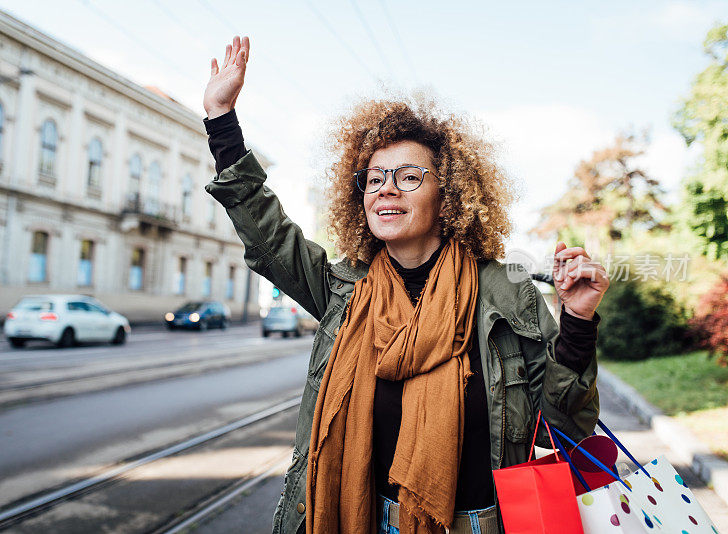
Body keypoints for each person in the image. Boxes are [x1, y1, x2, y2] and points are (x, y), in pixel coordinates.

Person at [202, 36, 608, 534]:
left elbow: (567, 427)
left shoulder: (506, 291)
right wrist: (222, 121)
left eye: (410, 176)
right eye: (373, 180)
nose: (386, 188)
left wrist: (579, 323)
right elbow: (268, 235)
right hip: (365, 520)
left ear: (449, 192)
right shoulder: (344, 287)